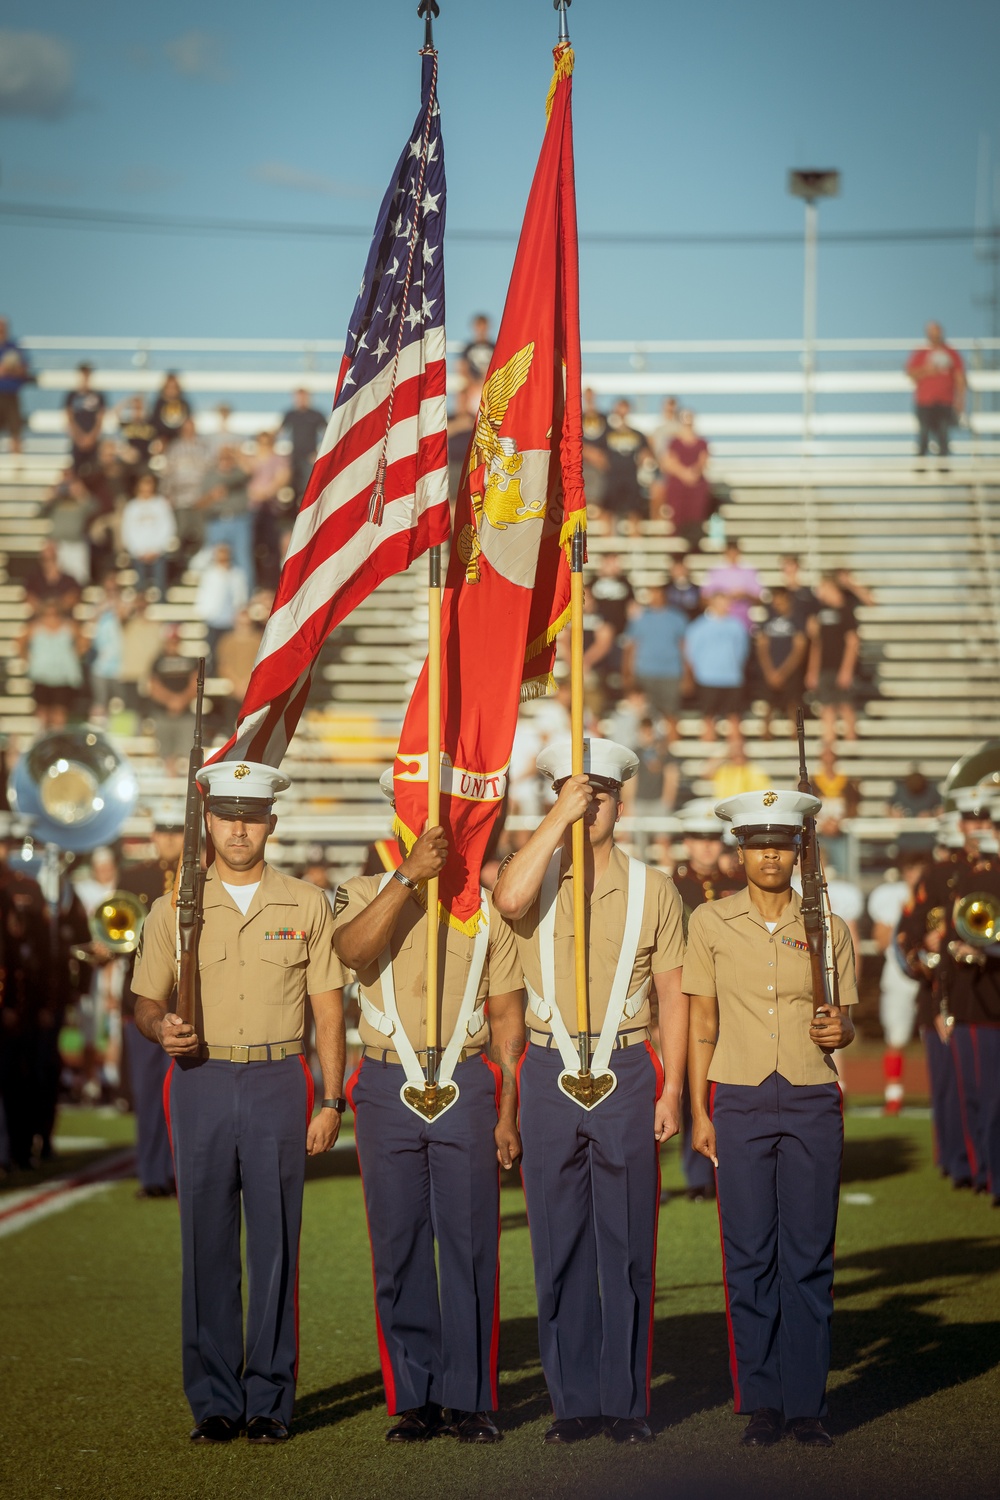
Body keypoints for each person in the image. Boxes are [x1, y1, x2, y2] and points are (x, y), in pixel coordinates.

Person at [131, 760, 346, 1444]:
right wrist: (159, 1025)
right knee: (206, 1243)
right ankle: (215, 1401)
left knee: (276, 1243)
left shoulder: (308, 904)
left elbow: (330, 1014)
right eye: (226, 817)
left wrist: (333, 1098)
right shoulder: (175, 907)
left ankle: (270, 1400)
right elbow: (144, 1000)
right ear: (210, 823)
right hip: (199, 1080)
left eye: (251, 818)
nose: (238, 830)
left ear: (271, 825)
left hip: (279, 1079)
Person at [492, 737, 686, 1446]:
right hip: (546, 1072)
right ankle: (572, 1401)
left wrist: (674, 1097)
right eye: (576, 789)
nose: (591, 802)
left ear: (620, 800)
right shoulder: (529, 874)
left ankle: (626, 1401)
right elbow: (507, 899)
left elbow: (675, 999)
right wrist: (556, 821)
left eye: (601, 791)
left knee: (627, 1242)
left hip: (630, 1070)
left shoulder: (656, 887)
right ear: (557, 796)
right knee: (558, 1240)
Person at [332, 775, 524, 1445]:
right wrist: (408, 878)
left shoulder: (486, 905)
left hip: (467, 1080)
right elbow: (352, 952)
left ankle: (471, 1395)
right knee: (399, 1242)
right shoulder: (364, 889)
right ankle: (415, 1395)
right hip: (388, 1084)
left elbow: (507, 1019)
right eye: (421, 807)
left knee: (470, 1244)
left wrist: (508, 1111)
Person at [684, 789, 858, 1448]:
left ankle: (806, 1402)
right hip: (739, 1096)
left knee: (808, 1254)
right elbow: (702, 1021)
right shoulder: (710, 923)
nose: (769, 856)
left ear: (796, 851)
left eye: (781, 845)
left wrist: (842, 1028)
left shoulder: (827, 926)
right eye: (758, 845)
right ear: (741, 851)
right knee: (749, 1254)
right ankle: (761, 1400)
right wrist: (698, 1109)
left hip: (812, 1096)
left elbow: (848, 1020)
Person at [897, 790, 994, 1191]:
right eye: (973, 821)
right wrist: (929, 958)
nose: (981, 829)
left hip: (986, 990)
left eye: (987, 821)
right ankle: (966, 1165)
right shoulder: (940, 876)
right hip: (953, 994)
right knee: (957, 1092)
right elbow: (910, 937)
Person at [670, 799, 745, 1201]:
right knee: (691, 1087)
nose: (705, 848)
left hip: (733, 998)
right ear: (686, 841)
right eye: (697, 839)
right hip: (688, 996)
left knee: (730, 1083)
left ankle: (731, 1167)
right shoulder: (670, 887)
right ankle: (699, 1176)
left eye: (711, 840)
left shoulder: (739, 884)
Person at [119, 806, 186, 1197]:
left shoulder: (199, 876)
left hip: (184, 995)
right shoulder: (134, 876)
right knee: (147, 1093)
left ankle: (182, 1172)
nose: (169, 839)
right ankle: (152, 1174)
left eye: (175, 832)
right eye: (163, 832)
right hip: (144, 998)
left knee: (183, 1093)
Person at [868, 853, 925, 1115]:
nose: (915, 875)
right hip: (899, 972)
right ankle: (894, 1094)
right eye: (911, 869)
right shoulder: (892, 898)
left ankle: (945, 1091)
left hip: (932, 974)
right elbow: (881, 941)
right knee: (896, 1036)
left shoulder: (936, 894)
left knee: (938, 1037)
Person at [622, 583, 688, 743]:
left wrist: (687, 674)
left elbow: (684, 647)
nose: (654, 597)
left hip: (670, 672)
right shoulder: (640, 618)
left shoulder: (677, 617)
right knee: (644, 715)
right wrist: (627, 671)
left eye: (657, 593)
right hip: (645, 671)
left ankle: (671, 754)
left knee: (671, 715)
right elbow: (631, 646)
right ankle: (644, 750)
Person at [684, 593, 750, 744]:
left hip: (732, 678)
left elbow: (742, 650)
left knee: (734, 717)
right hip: (707, 678)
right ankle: (708, 752)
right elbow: (691, 652)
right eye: (720, 601)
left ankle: (735, 755)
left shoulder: (737, 625)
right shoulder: (699, 626)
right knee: (708, 717)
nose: (724, 605)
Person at [805, 574, 860, 745]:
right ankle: (830, 752)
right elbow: (817, 644)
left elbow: (853, 642)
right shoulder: (820, 613)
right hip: (824, 669)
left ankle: (851, 749)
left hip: (841, 669)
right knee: (827, 709)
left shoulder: (846, 610)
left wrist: (846, 671)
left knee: (845, 708)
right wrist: (812, 671)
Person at [18, 601, 87, 729]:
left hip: (63, 677)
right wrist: (27, 659)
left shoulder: (69, 626)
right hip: (41, 675)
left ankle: (57, 741)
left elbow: (83, 642)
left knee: (60, 712)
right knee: (42, 711)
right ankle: (44, 741)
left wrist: (74, 656)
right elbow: (20, 643)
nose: (51, 617)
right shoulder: (34, 627)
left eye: (55, 614)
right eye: (47, 614)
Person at [905, 321, 966, 460]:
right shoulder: (921, 352)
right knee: (924, 433)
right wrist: (927, 370)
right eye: (931, 333)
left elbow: (959, 377)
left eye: (936, 332)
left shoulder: (951, 353)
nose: (935, 336)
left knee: (943, 433)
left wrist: (961, 400)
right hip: (924, 400)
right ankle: (920, 465)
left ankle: (943, 466)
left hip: (945, 401)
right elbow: (910, 372)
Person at [142, 628, 199, 776]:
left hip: (185, 714)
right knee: (166, 754)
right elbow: (153, 687)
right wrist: (171, 701)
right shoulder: (157, 662)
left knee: (186, 752)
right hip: (163, 713)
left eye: (175, 642)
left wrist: (181, 700)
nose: (172, 645)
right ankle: (170, 784)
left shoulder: (189, 661)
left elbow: (195, 685)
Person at [754, 585, 807, 741]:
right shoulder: (768, 620)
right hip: (770, 670)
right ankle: (766, 735)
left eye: (779, 599)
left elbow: (799, 648)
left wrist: (783, 672)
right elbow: (762, 646)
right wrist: (770, 671)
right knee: (769, 704)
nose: (776, 603)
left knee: (793, 703)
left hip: (791, 671)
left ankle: (797, 735)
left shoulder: (797, 620)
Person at [120, 471, 178, 597]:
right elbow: (127, 531)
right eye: (144, 483)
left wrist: (157, 549)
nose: (147, 487)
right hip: (138, 554)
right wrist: (138, 550)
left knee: (160, 588)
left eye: (149, 483)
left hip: (158, 553)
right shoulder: (132, 507)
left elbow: (169, 528)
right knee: (140, 588)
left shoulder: (161, 504)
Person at [662, 409, 711, 550]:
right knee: (678, 517)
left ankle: (693, 546)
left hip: (697, 486)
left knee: (695, 517)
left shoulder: (701, 442)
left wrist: (694, 472)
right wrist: (684, 473)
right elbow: (668, 463)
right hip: (678, 486)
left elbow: (703, 461)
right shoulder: (674, 442)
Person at [195, 543, 250, 664]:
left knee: (227, 650)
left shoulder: (237, 574)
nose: (223, 558)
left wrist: (239, 614)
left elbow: (241, 596)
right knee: (213, 649)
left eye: (225, 554)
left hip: (230, 620)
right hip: (213, 618)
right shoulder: (209, 573)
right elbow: (195, 565)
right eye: (220, 555)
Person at [701, 539, 762, 634]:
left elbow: (759, 600)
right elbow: (704, 598)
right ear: (725, 553)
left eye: (735, 552)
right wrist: (724, 598)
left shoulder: (750, 571)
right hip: (720, 623)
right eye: (730, 552)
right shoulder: (715, 571)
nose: (732, 556)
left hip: (742, 621)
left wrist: (744, 594)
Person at [279, 388, 328, 499]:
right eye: (298, 397)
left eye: (303, 397)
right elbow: (281, 433)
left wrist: (319, 452)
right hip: (294, 456)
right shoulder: (290, 415)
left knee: (308, 485)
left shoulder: (316, 415)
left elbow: (327, 434)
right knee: (293, 485)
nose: (301, 400)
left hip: (310, 456)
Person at [64, 363, 106, 477]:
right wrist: (79, 437)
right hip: (77, 441)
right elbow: (69, 418)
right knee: (75, 471)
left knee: (95, 471)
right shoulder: (71, 395)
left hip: (94, 441)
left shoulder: (98, 395)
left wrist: (91, 438)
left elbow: (100, 418)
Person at [0, 317, 32, 454]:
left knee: (15, 431)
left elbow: (24, 369)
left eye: (3, 327)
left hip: (12, 396)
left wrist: (10, 369)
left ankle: (17, 469)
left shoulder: (14, 348)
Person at [149, 372, 192, 449]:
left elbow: (188, 423)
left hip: (180, 440)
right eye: (169, 387)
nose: (172, 390)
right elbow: (154, 424)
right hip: (162, 440)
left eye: (174, 387)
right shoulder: (159, 404)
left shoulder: (184, 404)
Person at [459, 313, 495, 385]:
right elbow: (462, 367)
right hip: (472, 385)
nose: (481, 330)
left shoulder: (494, 347)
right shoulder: (468, 348)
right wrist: (472, 383)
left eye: (483, 327)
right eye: (479, 326)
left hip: (491, 383)